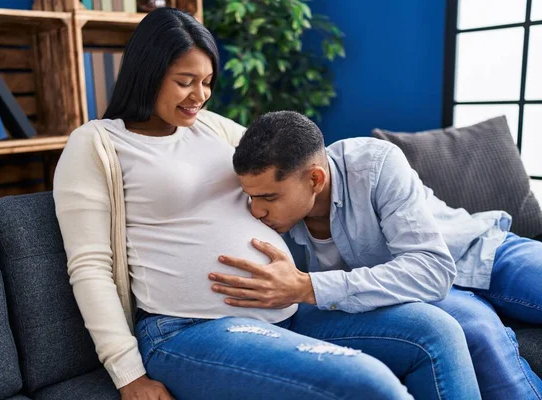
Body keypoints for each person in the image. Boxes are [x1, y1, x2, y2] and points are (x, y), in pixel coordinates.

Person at [53, 8, 480, 400]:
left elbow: (299, 166)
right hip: (187, 330)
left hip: (287, 312)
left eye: (206, 82)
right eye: (185, 81)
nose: (199, 95)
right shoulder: (98, 144)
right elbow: (89, 265)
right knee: (368, 385)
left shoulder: (215, 129)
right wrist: (127, 373)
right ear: (147, 73)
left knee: (435, 329)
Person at [220, 110, 542, 400]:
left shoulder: (374, 163)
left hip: (479, 246)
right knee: (477, 330)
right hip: (420, 295)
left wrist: (308, 286)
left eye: (269, 197)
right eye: (251, 197)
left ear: (315, 179)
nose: (256, 210)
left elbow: (430, 266)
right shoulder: (268, 223)